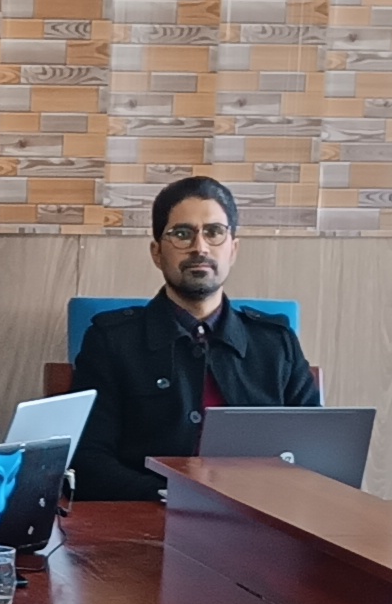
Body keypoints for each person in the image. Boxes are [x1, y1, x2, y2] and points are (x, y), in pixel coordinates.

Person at [69, 175, 323, 502]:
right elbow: (88, 460)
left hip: (257, 516)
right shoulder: (111, 341)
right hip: (148, 516)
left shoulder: (276, 343)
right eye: (182, 234)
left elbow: (315, 454)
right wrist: (170, 495)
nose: (200, 247)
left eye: (214, 232)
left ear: (233, 249)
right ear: (157, 253)